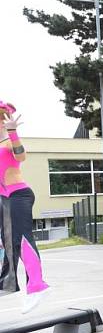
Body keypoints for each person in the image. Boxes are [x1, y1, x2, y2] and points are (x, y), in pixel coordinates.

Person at [0, 101, 50, 313]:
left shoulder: (9, 142)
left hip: (19, 194)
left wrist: (12, 132)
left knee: (22, 240)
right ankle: (8, 282)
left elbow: (21, 155)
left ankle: (37, 286)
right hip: (4, 198)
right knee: (7, 241)